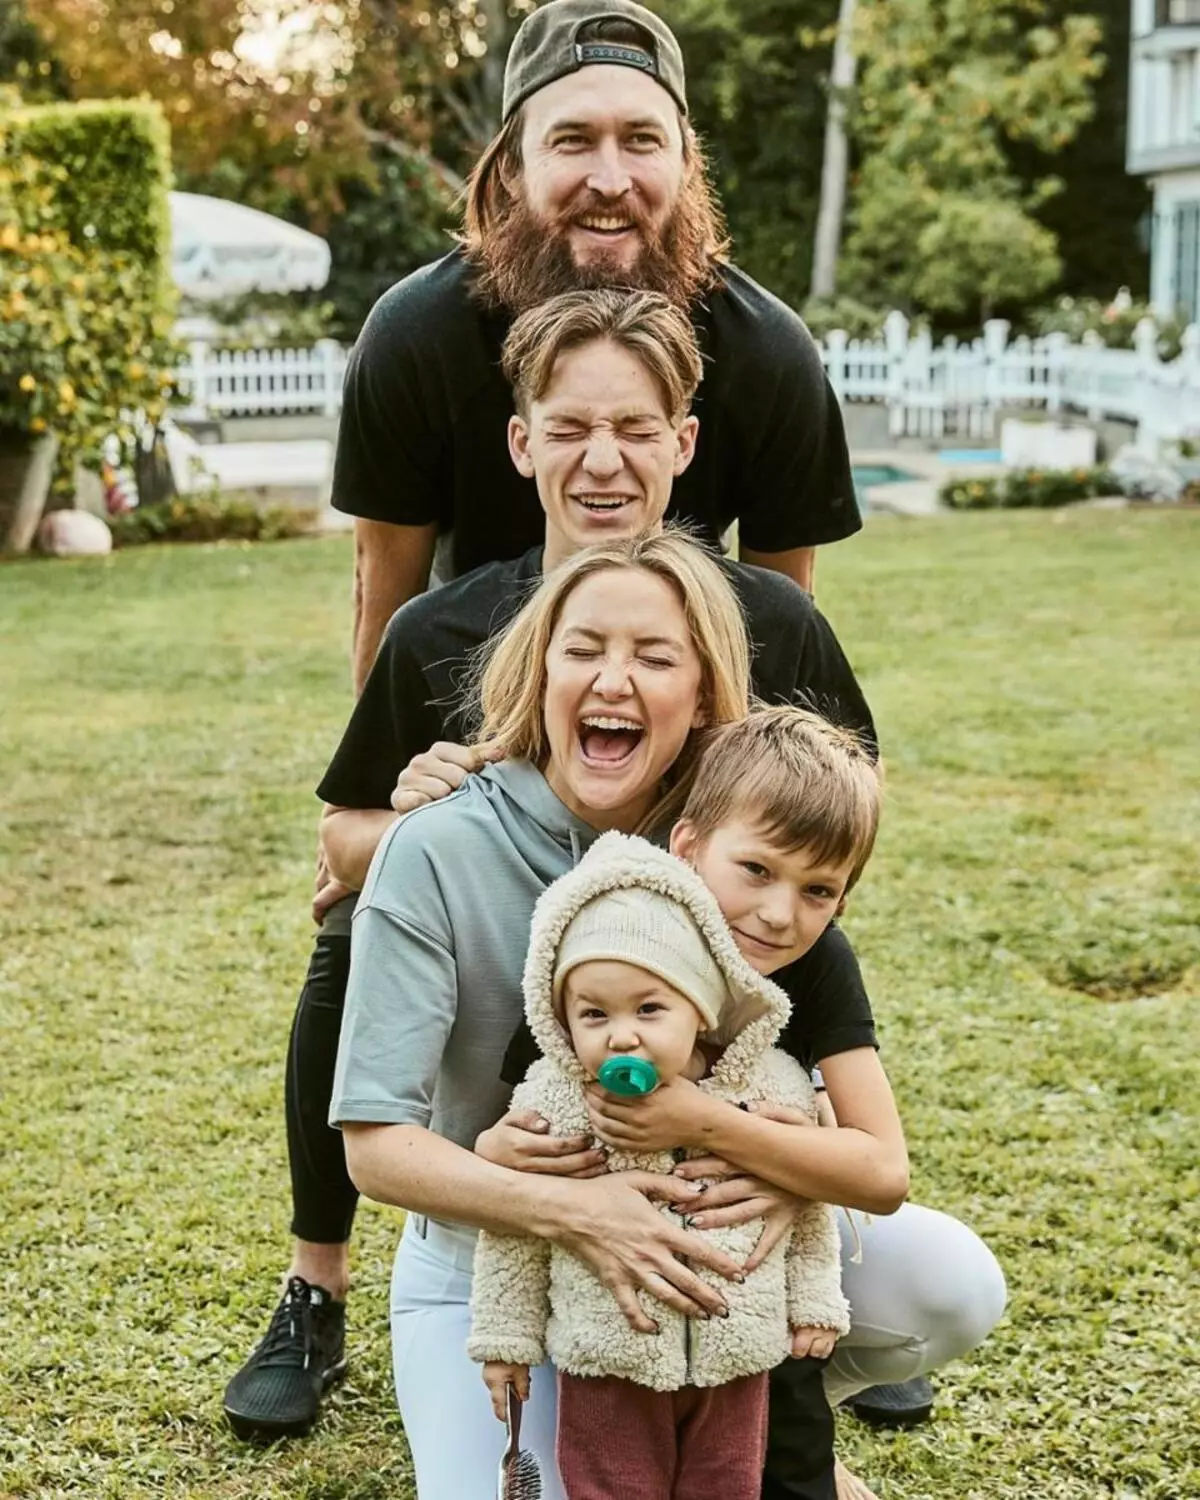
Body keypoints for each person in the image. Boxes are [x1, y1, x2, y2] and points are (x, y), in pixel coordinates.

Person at [225, 295, 1005, 1497]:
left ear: (707, 692)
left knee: (954, 1283)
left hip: (729, 1211)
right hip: (499, 1247)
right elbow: (374, 1147)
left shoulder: (730, 865)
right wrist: (584, 1216)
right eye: (587, 651)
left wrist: (750, 1145)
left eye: (656, 659)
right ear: (537, 671)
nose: (615, 681)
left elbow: (865, 1124)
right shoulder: (434, 843)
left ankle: (757, 1405)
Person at [337, 0, 859, 696]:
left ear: (686, 163)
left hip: (683, 715)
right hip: (474, 712)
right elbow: (385, 610)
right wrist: (393, 791)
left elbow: (782, 631)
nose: (611, 180)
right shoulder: (415, 340)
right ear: (512, 167)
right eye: (574, 139)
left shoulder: (769, 355)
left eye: (642, 140)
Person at [470, 706, 888, 1500]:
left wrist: (713, 1127)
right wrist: (497, 1157)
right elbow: (523, 1111)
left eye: (819, 889)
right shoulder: (612, 945)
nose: (779, 913)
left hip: (750, 1295)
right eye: (757, 870)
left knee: (778, 1457)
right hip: (611, 1312)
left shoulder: (820, 963)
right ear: (690, 847)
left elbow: (882, 1172)